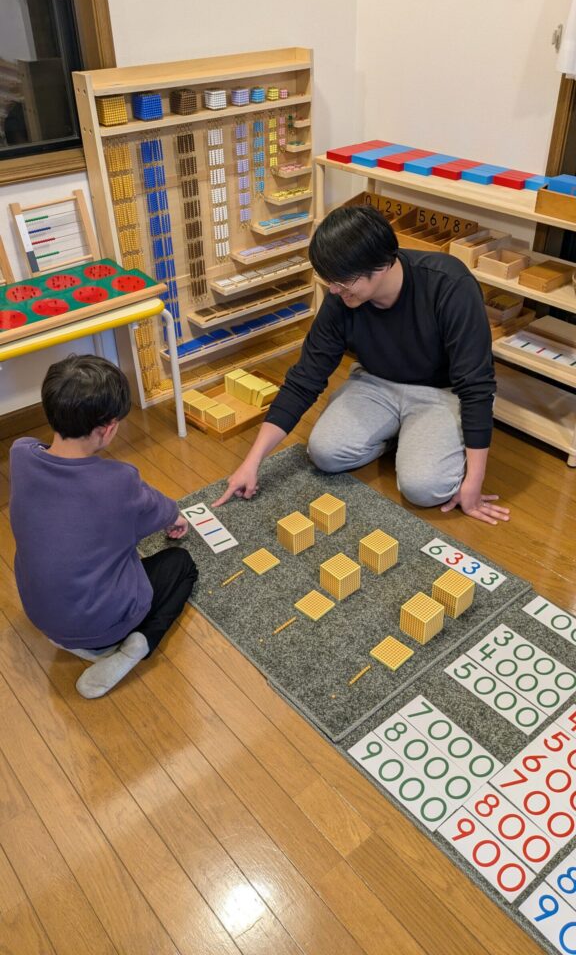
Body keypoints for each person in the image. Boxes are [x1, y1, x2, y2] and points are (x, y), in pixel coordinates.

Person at [215, 205, 509, 526]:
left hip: (440, 391)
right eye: (329, 279)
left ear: (381, 265)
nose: (333, 289)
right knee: (324, 453)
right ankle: (401, 435)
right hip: (375, 383)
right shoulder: (342, 296)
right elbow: (305, 378)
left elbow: (476, 385)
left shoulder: (449, 284)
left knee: (424, 488)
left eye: (342, 281)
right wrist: (252, 461)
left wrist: (474, 481)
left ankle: (412, 435)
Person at [9, 354, 198, 699]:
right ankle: (135, 646)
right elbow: (163, 511)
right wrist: (176, 519)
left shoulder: (20, 454)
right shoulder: (118, 482)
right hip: (102, 627)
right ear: (108, 428)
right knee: (181, 565)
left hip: (43, 618)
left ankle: (89, 641)